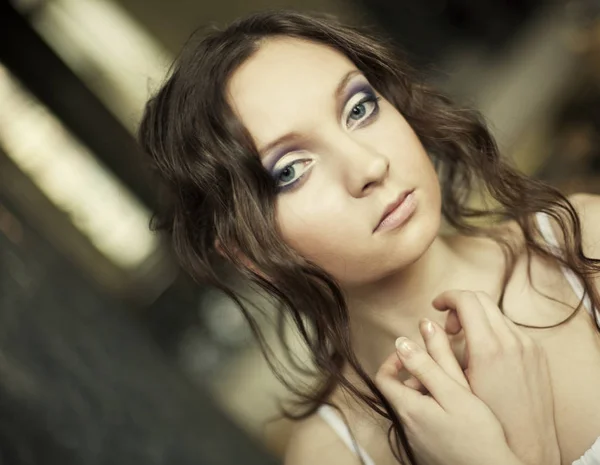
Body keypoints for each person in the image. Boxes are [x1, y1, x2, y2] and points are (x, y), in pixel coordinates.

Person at [138, 10, 600, 465]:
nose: (368, 167)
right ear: (246, 254)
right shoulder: (333, 455)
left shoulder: (585, 242)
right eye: (292, 170)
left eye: (358, 109)